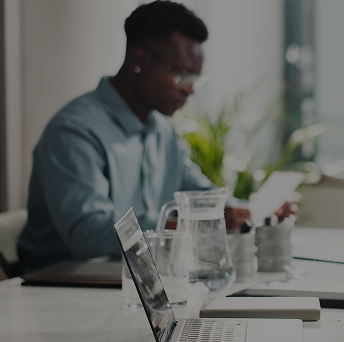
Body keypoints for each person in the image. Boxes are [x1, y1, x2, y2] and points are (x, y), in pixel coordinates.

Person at [17, 1, 293, 274]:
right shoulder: (75, 131)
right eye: (182, 74)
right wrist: (196, 223)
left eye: (196, 78)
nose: (190, 91)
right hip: (61, 284)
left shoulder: (162, 132)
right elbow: (88, 234)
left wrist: (252, 212)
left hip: (140, 281)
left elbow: (203, 197)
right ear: (140, 60)